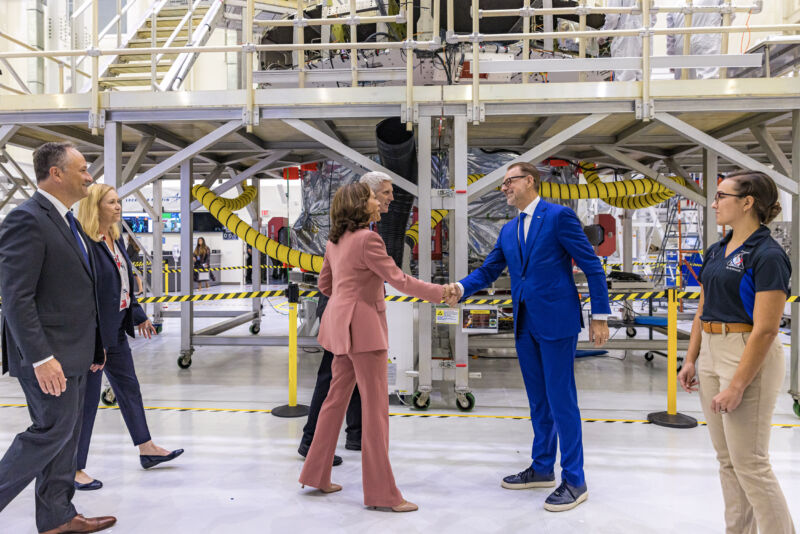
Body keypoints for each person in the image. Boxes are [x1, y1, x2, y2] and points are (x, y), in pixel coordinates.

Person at [444, 162, 610, 512]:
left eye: (509, 181)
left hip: (557, 322)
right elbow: (490, 270)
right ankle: (541, 467)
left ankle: (575, 480)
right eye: (503, 183)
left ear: (529, 181)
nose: (504, 187)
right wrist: (460, 287)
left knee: (561, 400)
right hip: (524, 324)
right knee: (538, 401)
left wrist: (600, 317)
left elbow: (592, 265)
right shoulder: (508, 230)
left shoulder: (558, 217)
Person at [299, 182, 445, 513]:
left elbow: (325, 285)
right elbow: (400, 280)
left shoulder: (335, 241)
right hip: (365, 331)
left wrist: (348, 294)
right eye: (370, 198)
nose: (377, 202)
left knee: (333, 403)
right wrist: (440, 293)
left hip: (339, 329)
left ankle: (315, 474)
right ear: (359, 206)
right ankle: (382, 494)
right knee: (376, 413)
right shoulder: (369, 239)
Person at [0, 142, 117, 533]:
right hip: (48, 356)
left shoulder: (67, 221)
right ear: (56, 173)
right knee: (51, 432)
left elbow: (77, 290)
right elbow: (17, 297)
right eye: (83, 169)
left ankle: (57, 517)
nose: (89, 177)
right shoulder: (27, 220)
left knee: (65, 437)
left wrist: (96, 344)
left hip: (76, 352)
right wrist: (40, 357)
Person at [678, 171, 795, 534]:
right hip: (712, 350)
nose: (714, 203)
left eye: (721, 196)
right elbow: (702, 307)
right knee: (728, 460)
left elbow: (766, 329)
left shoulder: (768, 254)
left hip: (747, 351)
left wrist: (738, 384)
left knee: (751, 463)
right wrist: (692, 357)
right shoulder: (717, 249)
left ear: (747, 203)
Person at [73, 183, 184, 491]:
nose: (118, 207)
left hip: (117, 331)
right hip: (95, 336)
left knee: (129, 389)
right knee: (88, 402)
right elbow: (88, 295)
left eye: (119, 201)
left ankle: (146, 448)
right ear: (95, 206)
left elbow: (124, 284)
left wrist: (139, 316)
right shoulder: (86, 243)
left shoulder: (115, 239)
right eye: (111, 202)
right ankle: (74, 467)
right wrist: (96, 340)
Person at [297, 171, 394, 463]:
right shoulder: (362, 237)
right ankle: (311, 442)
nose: (390, 198)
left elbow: (326, 282)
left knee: (347, 378)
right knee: (331, 378)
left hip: (342, 311)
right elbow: (395, 277)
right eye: (385, 193)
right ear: (369, 195)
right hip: (346, 315)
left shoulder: (355, 233)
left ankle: (355, 434)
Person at [667, 0, 724, 80]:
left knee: (684, 83)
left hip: (682, 44)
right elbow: (729, 15)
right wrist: (716, 30)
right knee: (709, 83)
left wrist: (672, 58)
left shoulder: (674, 2)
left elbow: (670, 32)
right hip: (708, 39)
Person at [602, 0, 657, 81]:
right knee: (644, 80)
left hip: (626, 39)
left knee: (625, 80)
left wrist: (603, 34)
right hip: (645, 35)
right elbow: (653, 18)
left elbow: (612, 16)